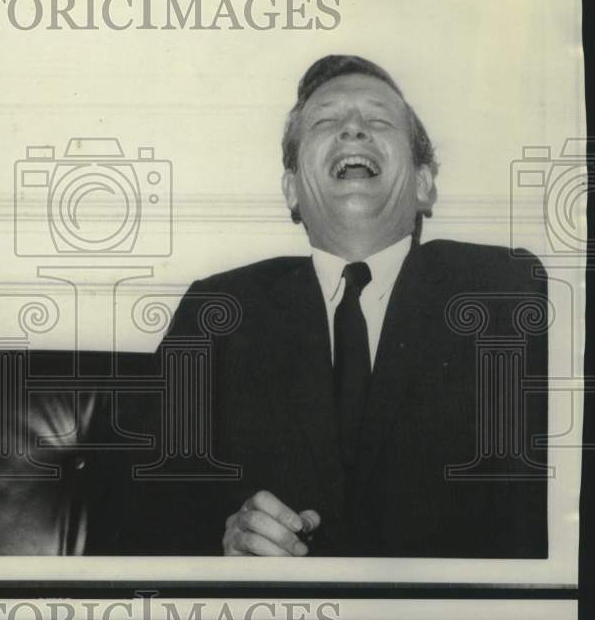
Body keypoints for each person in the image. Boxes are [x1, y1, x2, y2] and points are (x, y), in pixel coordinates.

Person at [89, 54, 547, 557]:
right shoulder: (217, 310)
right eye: (326, 121)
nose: (353, 130)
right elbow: (134, 519)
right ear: (292, 192)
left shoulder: (504, 289)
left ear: (422, 183)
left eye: (377, 119)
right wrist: (224, 541)